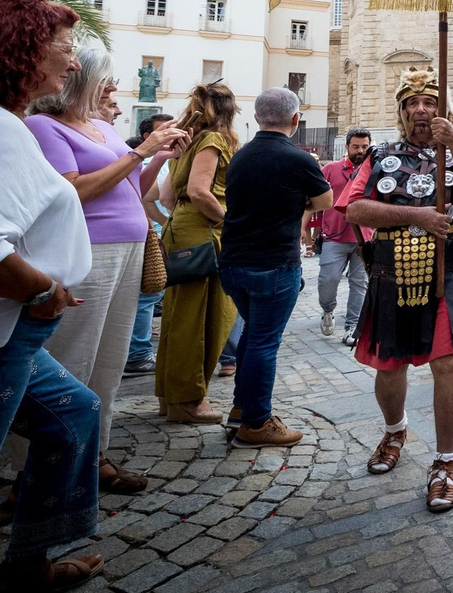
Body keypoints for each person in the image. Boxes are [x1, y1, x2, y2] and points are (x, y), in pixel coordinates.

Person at [0, 0, 103, 591]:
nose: (72, 64)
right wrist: (42, 290)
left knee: (73, 418)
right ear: (23, 52)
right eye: (63, 50)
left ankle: (28, 563)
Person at [337, 67, 453, 513]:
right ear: (403, 111)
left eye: (430, 102)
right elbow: (354, 210)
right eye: (413, 103)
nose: (422, 109)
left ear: (442, 109)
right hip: (391, 272)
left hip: (447, 274)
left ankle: (445, 464)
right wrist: (417, 216)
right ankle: (395, 430)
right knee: (389, 368)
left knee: (448, 366)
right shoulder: (381, 154)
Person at [23, 47, 184, 494]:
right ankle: (40, 469)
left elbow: (133, 190)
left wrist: (158, 157)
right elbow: (71, 192)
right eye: (107, 79)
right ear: (82, 79)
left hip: (129, 248)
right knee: (74, 357)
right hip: (89, 252)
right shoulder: (44, 126)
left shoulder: (98, 127)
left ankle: (92, 456)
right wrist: (141, 153)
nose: (114, 87)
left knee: (109, 362)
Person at [217, 87, 331, 446]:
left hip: (234, 261)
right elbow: (324, 200)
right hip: (274, 263)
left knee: (253, 333)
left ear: (255, 118)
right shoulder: (299, 159)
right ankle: (256, 422)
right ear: (296, 120)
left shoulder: (241, 155)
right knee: (265, 342)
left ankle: (241, 408)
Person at [156, 82, 240, 424]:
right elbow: (199, 191)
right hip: (206, 232)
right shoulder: (213, 140)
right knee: (206, 319)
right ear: (229, 110)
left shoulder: (186, 142)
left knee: (179, 318)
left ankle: (171, 397)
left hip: (182, 229)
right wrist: (230, 221)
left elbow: (165, 197)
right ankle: (189, 400)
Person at [125, 112, 177, 375]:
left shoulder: (167, 159)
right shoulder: (143, 162)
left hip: (158, 233)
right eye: (164, 131)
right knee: (147, 296)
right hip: (152, 235)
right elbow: (145, 196)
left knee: (151, 295)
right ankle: (138, 353)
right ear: (147, 137)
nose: (171, 135)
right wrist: (163, 221)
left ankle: (137, 349)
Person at [314, 128, 373, 346]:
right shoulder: (330, 169)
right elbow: (314, 198)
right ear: (347, 146)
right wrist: (305, 227)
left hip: (364, 238)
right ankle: (328, 309)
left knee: (360, 283)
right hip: (334, 238)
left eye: (364, 147)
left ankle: (352, 328)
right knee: (327, 280)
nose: (360, 151)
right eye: (356, 146)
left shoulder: (375, 170)